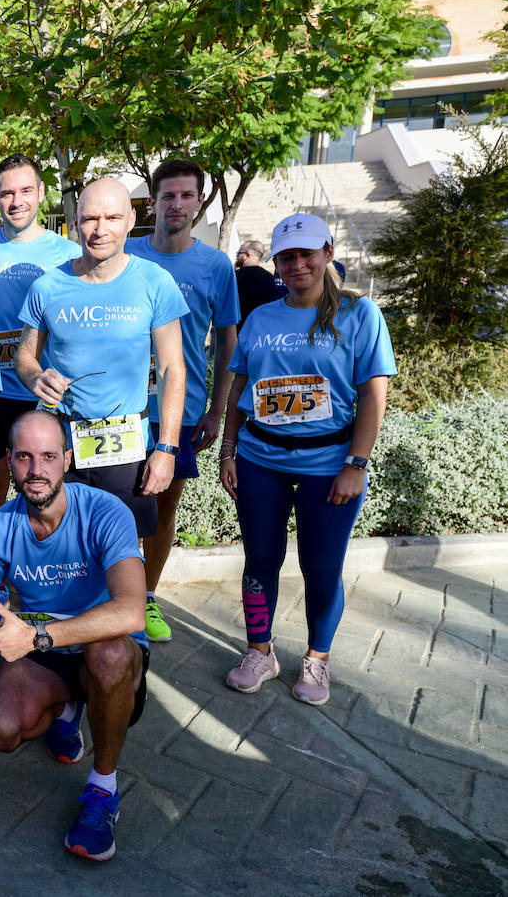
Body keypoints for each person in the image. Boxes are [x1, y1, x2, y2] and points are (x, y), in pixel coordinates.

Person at [219, 213, 395, 707]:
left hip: (329, 467)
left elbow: (372, 395)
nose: (298, 264)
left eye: (307, 253)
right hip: (260, 461)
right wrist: (229, 451)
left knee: (321, 567)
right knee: (260, 561)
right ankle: (260, 651)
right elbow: (239, 387)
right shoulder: (261, 318)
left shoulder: (360, 315)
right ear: (276, 262)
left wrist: (355, 465)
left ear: (328, 253)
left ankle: (317, 657)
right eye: (287, 256)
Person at [0, 410, 149, 862]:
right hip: (45, 650)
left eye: (47, 456)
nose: (36, 469)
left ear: (67, 459)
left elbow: (132, 611)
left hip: (101, 650)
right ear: (10, 461)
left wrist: (39, 638)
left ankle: (103, 789)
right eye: (24, 457)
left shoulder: (105, 512)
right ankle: (67, 708)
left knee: (107, 654)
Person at [14, 177, 189, 540]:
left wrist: (167, 450)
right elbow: (25, 357)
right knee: (61, 546)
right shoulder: (47, 287)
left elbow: (173, 369)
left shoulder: (155, 282)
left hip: (126, 446)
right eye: (91, 219)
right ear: (75, 223)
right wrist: (35, 378)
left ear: (130, 221)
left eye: (112, 218)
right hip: (61, 445)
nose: (100, 229)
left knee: (122, 555)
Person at [124, 160, 239, 643]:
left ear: (199, 202)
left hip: (181, 413)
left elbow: (229, 341)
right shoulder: (125, 252)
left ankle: (145, 600)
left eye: (185, 196)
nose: (175, 205)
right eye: (166, 196)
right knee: (115, 509)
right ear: (152, 202)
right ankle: (110, 596)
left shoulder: (215, 265)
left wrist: (217, 409)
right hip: (120, 409)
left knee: (162, 510)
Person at [0, 155, 80, 517]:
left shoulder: (68, 253)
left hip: (48, 392)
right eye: (7, 193)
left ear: (40, 192)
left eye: (25, 190)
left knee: (46, 496)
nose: (16, 200)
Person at [235, 239, 286, 327]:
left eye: (239, 253)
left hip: (237, 327)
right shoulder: (269, 277)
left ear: (247, 255)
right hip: (262, 326)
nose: (237, 256)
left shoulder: (234, 276)